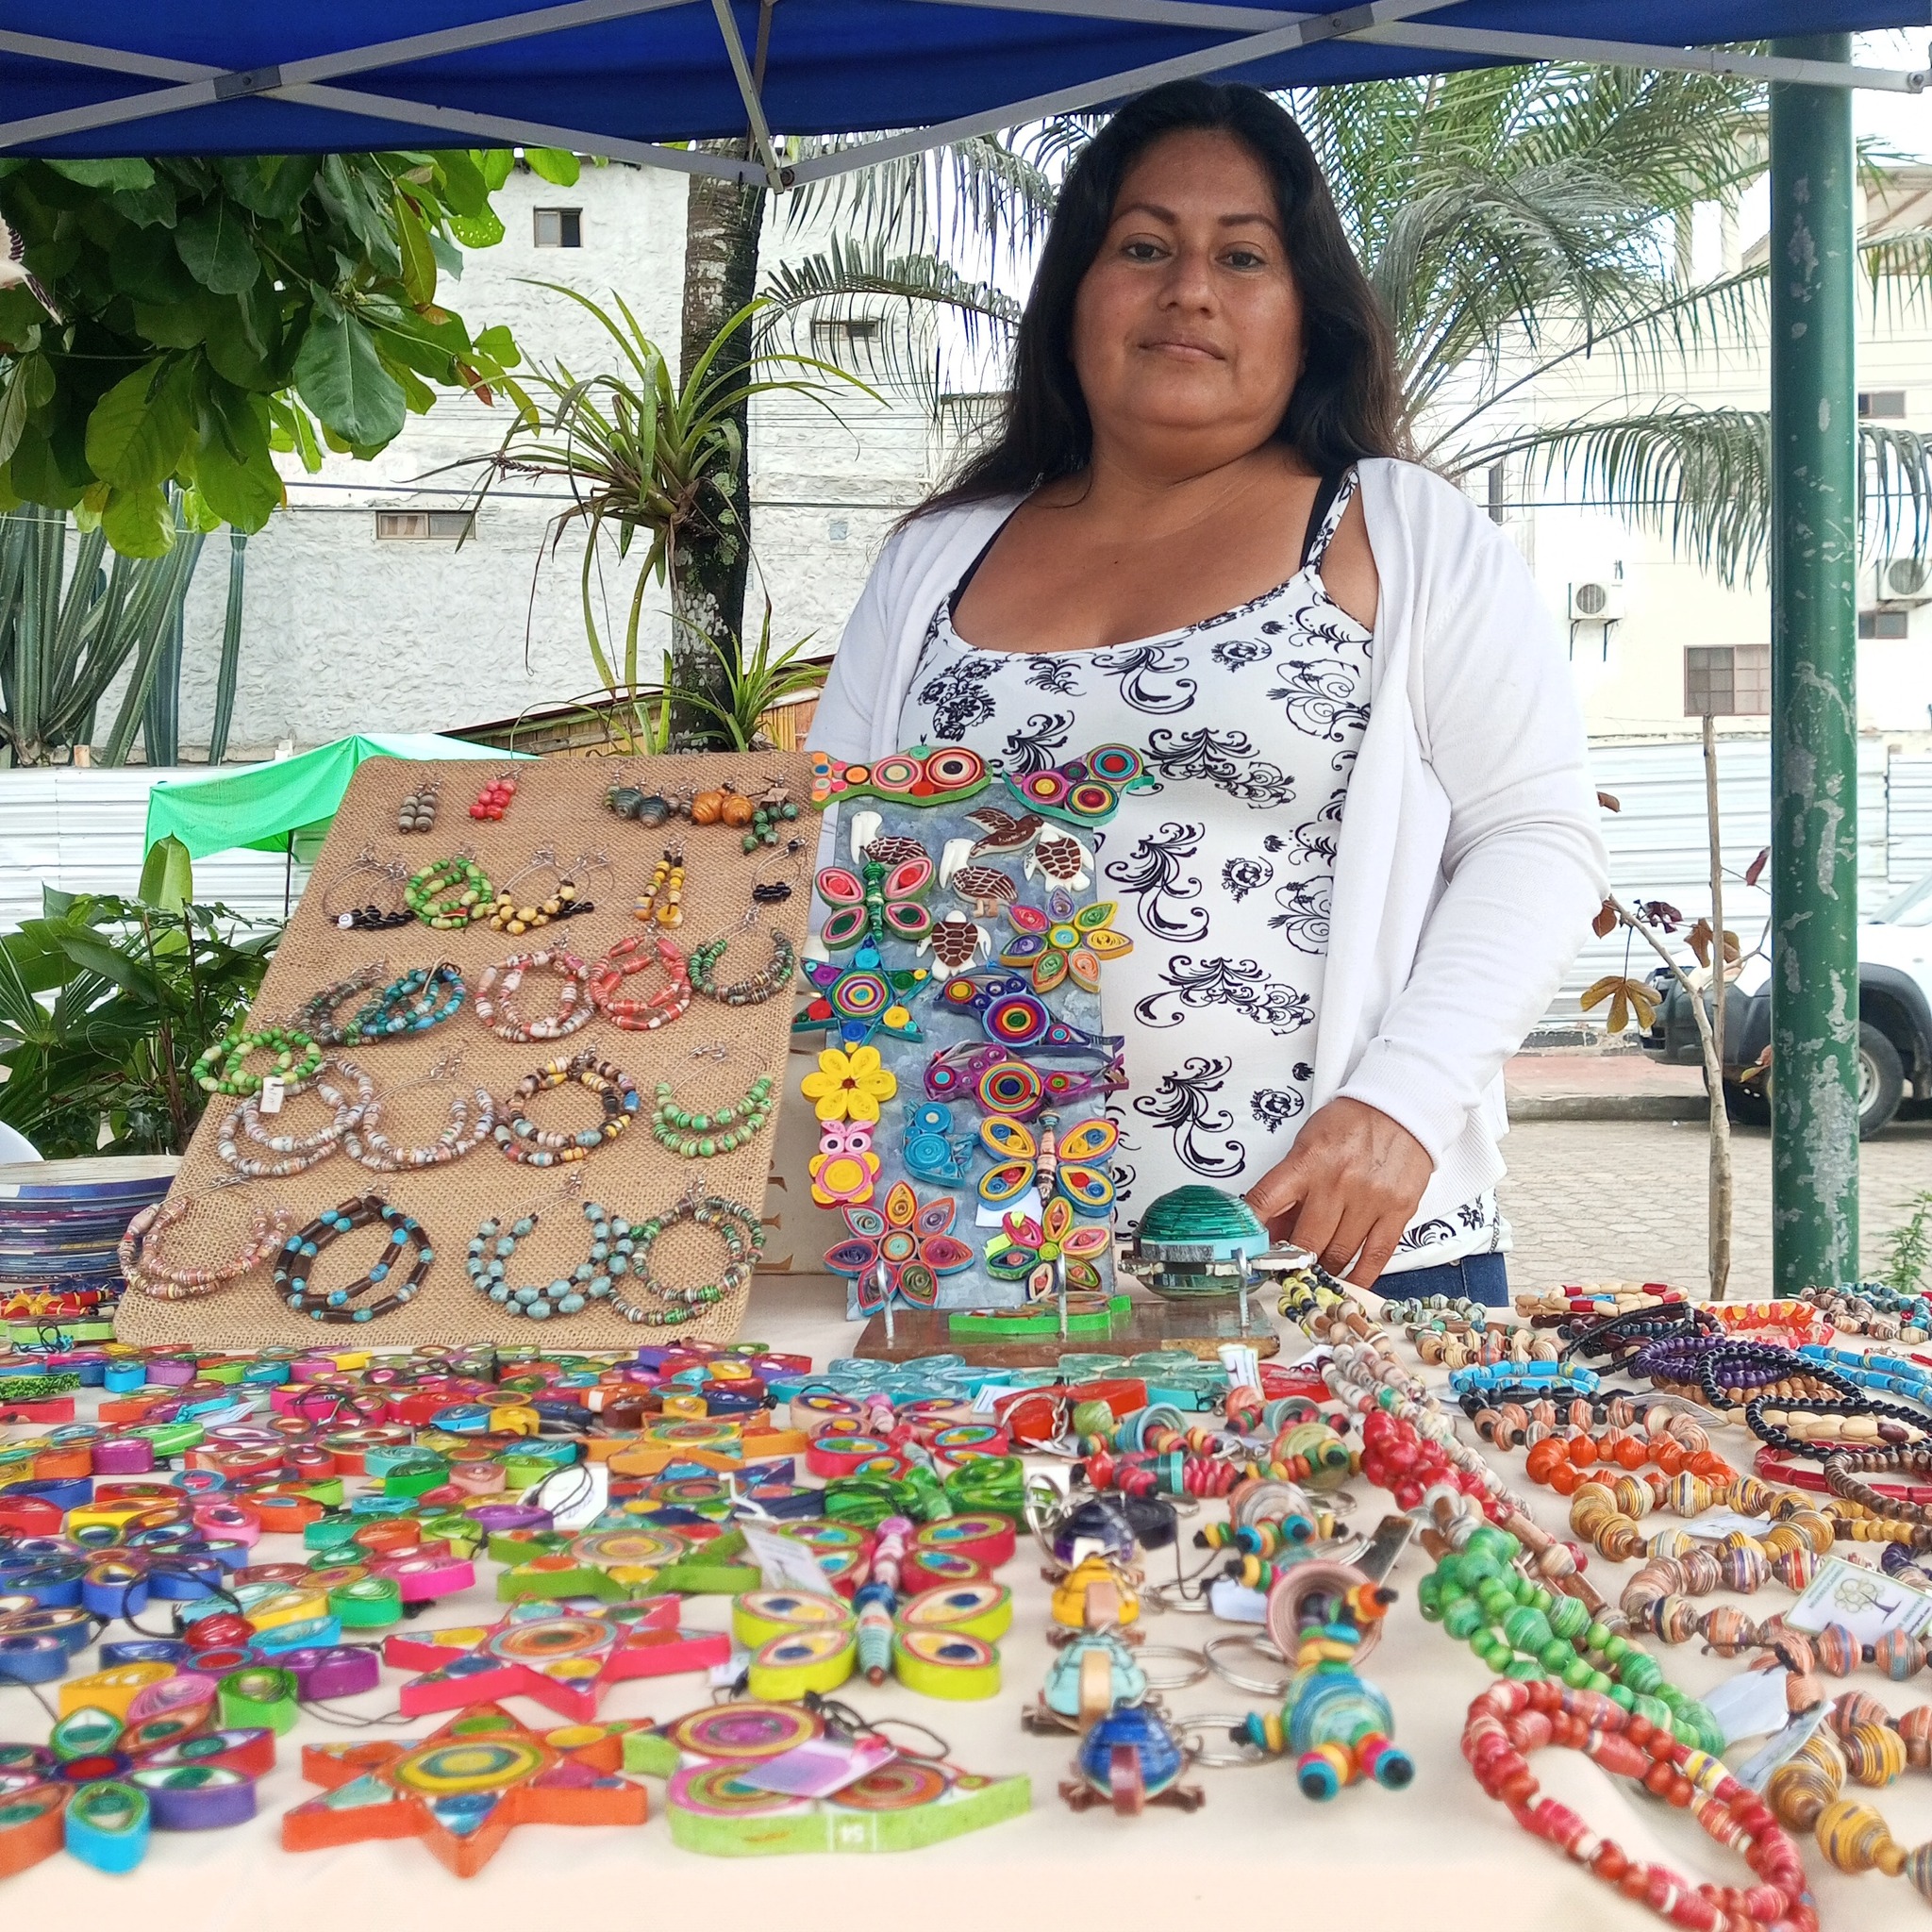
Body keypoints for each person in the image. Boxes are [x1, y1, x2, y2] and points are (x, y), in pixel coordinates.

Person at [810, 79, 1607, 1305]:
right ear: (1077, 293)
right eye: (1143, 247)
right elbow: (832, 862)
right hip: (972, 1277)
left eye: (1243, 255)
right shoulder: (935, 562)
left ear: (1308, 314)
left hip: (1325, 1258)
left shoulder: (1398, 532)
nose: (1189, 288)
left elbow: (1540, 836)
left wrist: (1399, 1104)